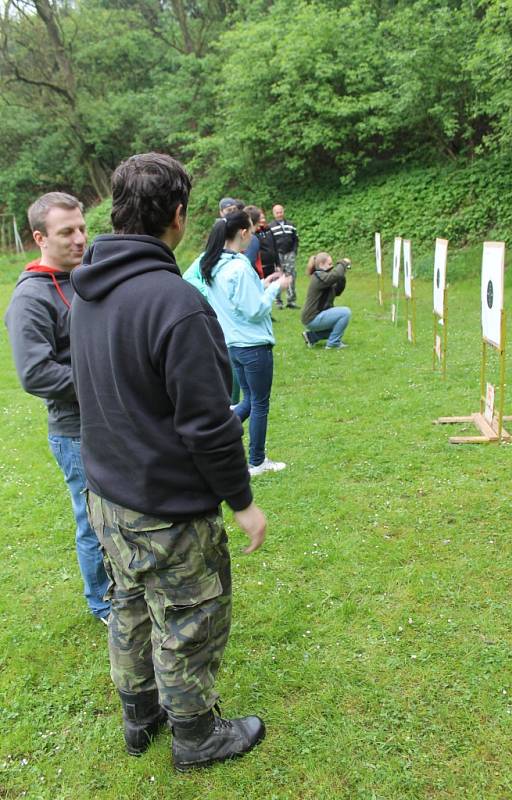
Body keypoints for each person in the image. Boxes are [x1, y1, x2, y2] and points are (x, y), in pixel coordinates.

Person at [69, 153, 267, 771]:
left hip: (108, 495)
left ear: (117, 211)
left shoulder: (87, 291)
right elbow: (209, 426)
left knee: (129, 604)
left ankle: (139, 715)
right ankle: (195, 735)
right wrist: (243, 501)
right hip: (164, 509)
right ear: (178, 216)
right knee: (187, 618)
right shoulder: (176, 303)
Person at [4, 192, 110, 624]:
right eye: (66, 232)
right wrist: (103, 384)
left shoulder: (86, 276)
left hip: (109, 419)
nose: (79, 239)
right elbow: (35, 374)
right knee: (91, 521)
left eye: (82, 228)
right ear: (39, 238)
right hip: (74, 430)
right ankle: (102, 601)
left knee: (117, 514)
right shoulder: (31, 298)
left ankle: (122, 585)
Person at [187, 210, 290, 476]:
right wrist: (274, 289)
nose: (253, 237)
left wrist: (262, 283)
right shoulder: (239, 266)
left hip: (233, 345)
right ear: (243, 232)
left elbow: (238, 299)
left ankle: (210, 442)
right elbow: (254, 310)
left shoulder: (212, 264)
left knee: (247, 400)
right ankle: (256, 461)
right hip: (253, 345)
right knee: (259, 404)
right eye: (252, 232)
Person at [301, 252, 352, 349]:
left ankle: (311, 337)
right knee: (345, 313)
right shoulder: (319, 276)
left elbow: (337, 291)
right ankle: (333, 343)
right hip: (312, 318)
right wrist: (343, 263)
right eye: (329, 264)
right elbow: (334, 276)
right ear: (321, 265)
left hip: (313, 317)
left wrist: (342, 277)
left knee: (338, 326)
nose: (331, 266)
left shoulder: (324, 277)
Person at [269, 203, 299, 308]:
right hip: (277, 254)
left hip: (289, 253)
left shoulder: (291, 224)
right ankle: (278, 301)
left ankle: (291, 301)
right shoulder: (270, 227)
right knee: (278, 276)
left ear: (283, 212)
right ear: (274, 214)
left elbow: (296, 239)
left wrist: (294, 251)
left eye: (281, 212)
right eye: (277, 212)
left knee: (291, 276)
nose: (279, 214)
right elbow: (270, 242)